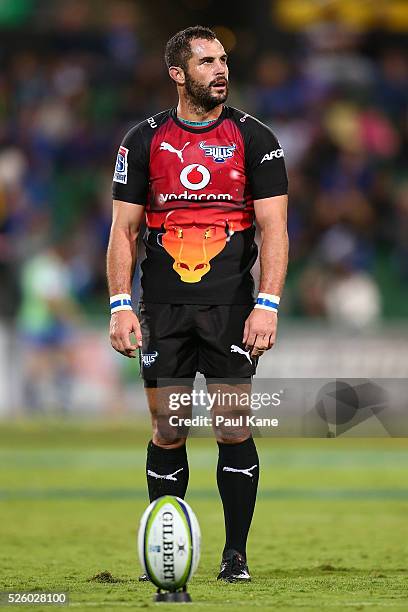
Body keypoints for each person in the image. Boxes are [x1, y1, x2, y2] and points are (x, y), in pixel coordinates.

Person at [107, 26, 288, 582]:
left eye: (224, 60)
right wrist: (119, 303)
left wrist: (268, 302)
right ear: (178, 74)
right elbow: (123, 231)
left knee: (233, 426)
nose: (221, 70)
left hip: (232, 306)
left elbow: (274, 227)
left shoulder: (255, 138)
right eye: (207, 61)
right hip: (162, 306)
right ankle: (166, 549)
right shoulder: (143, 140)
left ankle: (235, 555)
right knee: (169, 428)